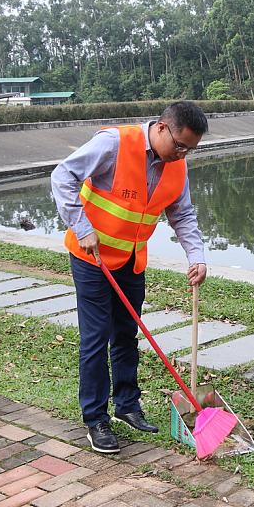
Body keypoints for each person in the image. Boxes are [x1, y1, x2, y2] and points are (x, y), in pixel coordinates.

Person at [51, 101, 208, 454]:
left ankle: (127, 405)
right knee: (96, 338)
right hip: (92, 259)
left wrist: (196, 256)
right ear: (163, 128)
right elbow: (62, 176)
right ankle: (96, 419)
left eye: (190, 150)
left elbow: (181, 213)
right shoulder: (113, 143)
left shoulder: (177, 164)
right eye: (180, 145)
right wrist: (81, 226)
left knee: (126, 333)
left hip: (131, 261)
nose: (183, 154)